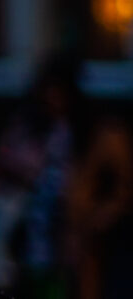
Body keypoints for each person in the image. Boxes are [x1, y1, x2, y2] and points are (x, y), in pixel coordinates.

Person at [0, 55, 86, 299]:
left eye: (60, 91)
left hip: (62, 226)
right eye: (50, 91)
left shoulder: (78, 129)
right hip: (26, 222)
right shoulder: (27, 126)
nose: (54, 98)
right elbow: (3, 162)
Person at [73, 105, 133, 299]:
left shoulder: (112, 135)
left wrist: (105, 214)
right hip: (93, 239)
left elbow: (123, 186)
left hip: (112, 239)